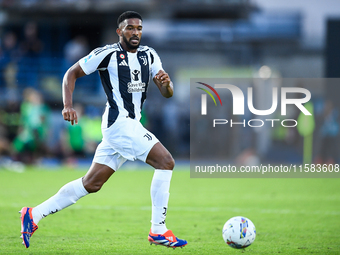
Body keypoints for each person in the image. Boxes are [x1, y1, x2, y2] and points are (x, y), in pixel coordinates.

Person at [19, 11, 188, 249]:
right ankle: (158, 230)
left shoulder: (149, 55)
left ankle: (33, 214)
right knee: (166, 162)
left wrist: (166, 85)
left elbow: (167, 92)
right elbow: (71, 73)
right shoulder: (106, 54)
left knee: (91, 183)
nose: (135, 32)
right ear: (120, 31)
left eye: (139, 28)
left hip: (130, 125)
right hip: (119, 124)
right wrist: (67, 105)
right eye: (130, 28)